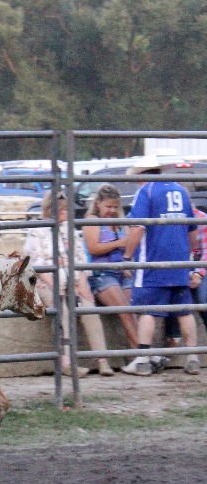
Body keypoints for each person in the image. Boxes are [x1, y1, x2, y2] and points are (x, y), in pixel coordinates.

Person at [122, 156, 201, 376]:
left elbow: (137, 228)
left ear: (142, 175)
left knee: (148, 310)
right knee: (183, 310)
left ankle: (143, 359)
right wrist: (190, 255)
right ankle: (193, 356)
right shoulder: (181, 191)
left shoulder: (146, 192)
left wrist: (127, 256)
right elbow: (192, 230)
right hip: (179, 261)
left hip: (153, 261)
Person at [23, 191, 115, 376]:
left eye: (67, 209)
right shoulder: (37, 230)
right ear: (51, 210)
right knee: (61, 312)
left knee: (88, 309)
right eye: (63, 210)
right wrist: (56, 285)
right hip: (47, 281)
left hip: (72, 279)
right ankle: (66, 362)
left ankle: (102, 359)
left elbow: (80, 258)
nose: (67, 213)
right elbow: (36, 264)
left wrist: (81, 282)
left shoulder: (69, 230)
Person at [82, 184, 139, 350]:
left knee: (134, 311)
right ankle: (142, 354)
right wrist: (119, 243)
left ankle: (139, 353)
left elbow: (131, 245)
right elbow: (93, 248)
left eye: (115, 207)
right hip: (101, 274)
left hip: (122, 271)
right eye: (108, 206)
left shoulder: (122, 222)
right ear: (98, 203)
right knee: (125, 311)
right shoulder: (91, 220)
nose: (112, 210)